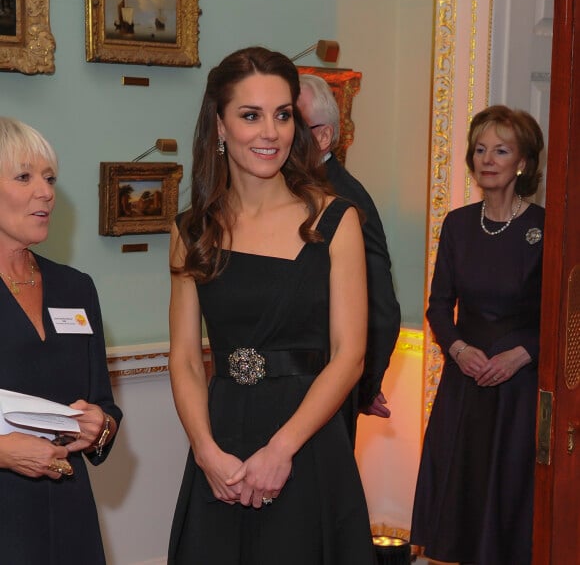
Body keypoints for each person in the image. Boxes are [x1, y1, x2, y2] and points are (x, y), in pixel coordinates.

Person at [167, 47, 377, 564]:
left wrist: (282, 450)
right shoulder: (192, 229)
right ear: (219, 125)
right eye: (250, 115)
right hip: (221, 445)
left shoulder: (336, 220)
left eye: (282, 115)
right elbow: (186, 358)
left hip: (307, 443)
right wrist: (205, 451)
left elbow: (349, 355)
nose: (270, 132)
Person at [410, 105, 545, 564]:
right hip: (465, 385)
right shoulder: (459, 224)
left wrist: (523, 354)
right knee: (460, 504)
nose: (488, 159)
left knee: (509, 507)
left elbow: (566, 317)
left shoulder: (545, 229)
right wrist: (459, 348)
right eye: (481, 149)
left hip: (519, 390)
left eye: (501, 150)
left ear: (522, 162)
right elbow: (438, 305)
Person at [0, 117, 122, 564]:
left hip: (69, 516)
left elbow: (104, 405)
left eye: (49, 178)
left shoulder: (76, 287)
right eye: (24, 176)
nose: (46, 191)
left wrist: (99, 427)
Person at [298, 73, 401, 442]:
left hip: (329, 387)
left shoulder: (344, 201)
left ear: (323, 136)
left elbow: (381, 307)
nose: (274, 134)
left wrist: (363, 386)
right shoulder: (290, 194)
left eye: (291, 122)